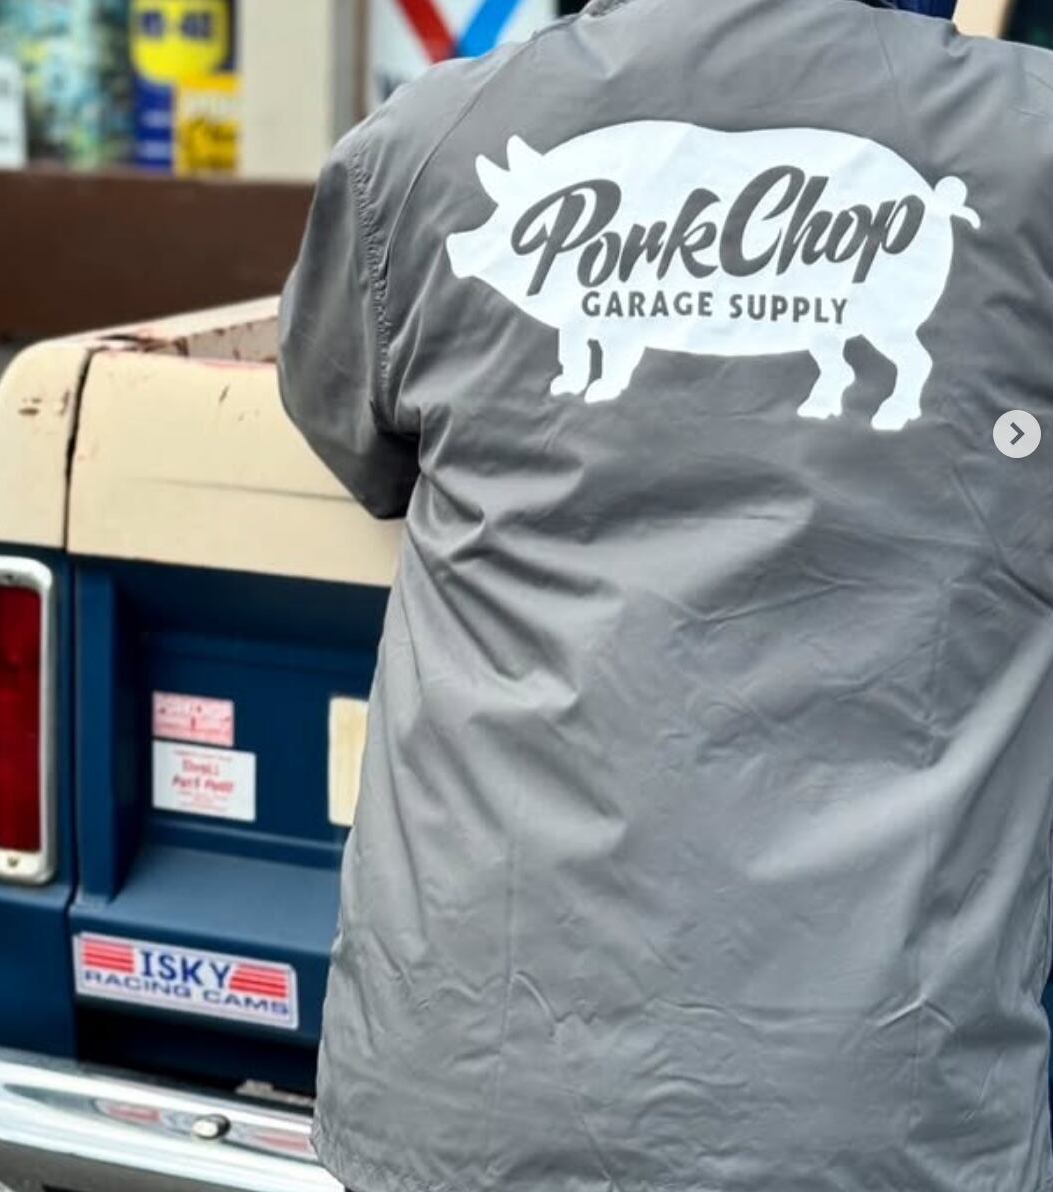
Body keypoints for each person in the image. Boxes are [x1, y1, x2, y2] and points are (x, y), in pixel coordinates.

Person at [277, 2, 1053, 1191]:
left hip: (469, 1088)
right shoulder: (1031, 145)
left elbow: (352, 429)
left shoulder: (428, 148)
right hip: (876, 1109)